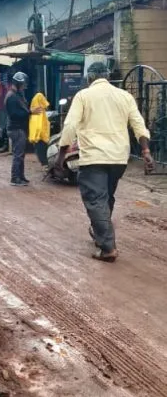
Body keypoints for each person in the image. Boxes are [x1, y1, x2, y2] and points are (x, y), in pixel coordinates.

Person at [57, 62, 154, 262]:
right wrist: (145, 150)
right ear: (107, 76)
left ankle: (108, 247)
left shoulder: (83, 96)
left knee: (96, 200)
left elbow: (70, 125)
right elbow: (138, 124)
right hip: (119, 158)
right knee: (106, 197)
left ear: (89, 78)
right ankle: (100, 233)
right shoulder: (124, 96)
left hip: (94, 157)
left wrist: (61, 154)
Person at [5, 71, 31, 185]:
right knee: (18, 154)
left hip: (19, 128)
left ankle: (21, 176)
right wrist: (30, 112)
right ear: (19, 83)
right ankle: (15, 178)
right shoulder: (11, 97)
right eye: (24, 84)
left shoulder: (18, 95)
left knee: (21, 154)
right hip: (16, 129)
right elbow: (14, 114)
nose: (25, 87)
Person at [29, 90, 51, 167]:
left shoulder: (36, 112)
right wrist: (43, 137)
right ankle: (45, 165)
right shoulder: (39, 112)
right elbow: (39, 127)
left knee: (40, 151)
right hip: (40, 138)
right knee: (42, 152)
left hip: (38, 138)